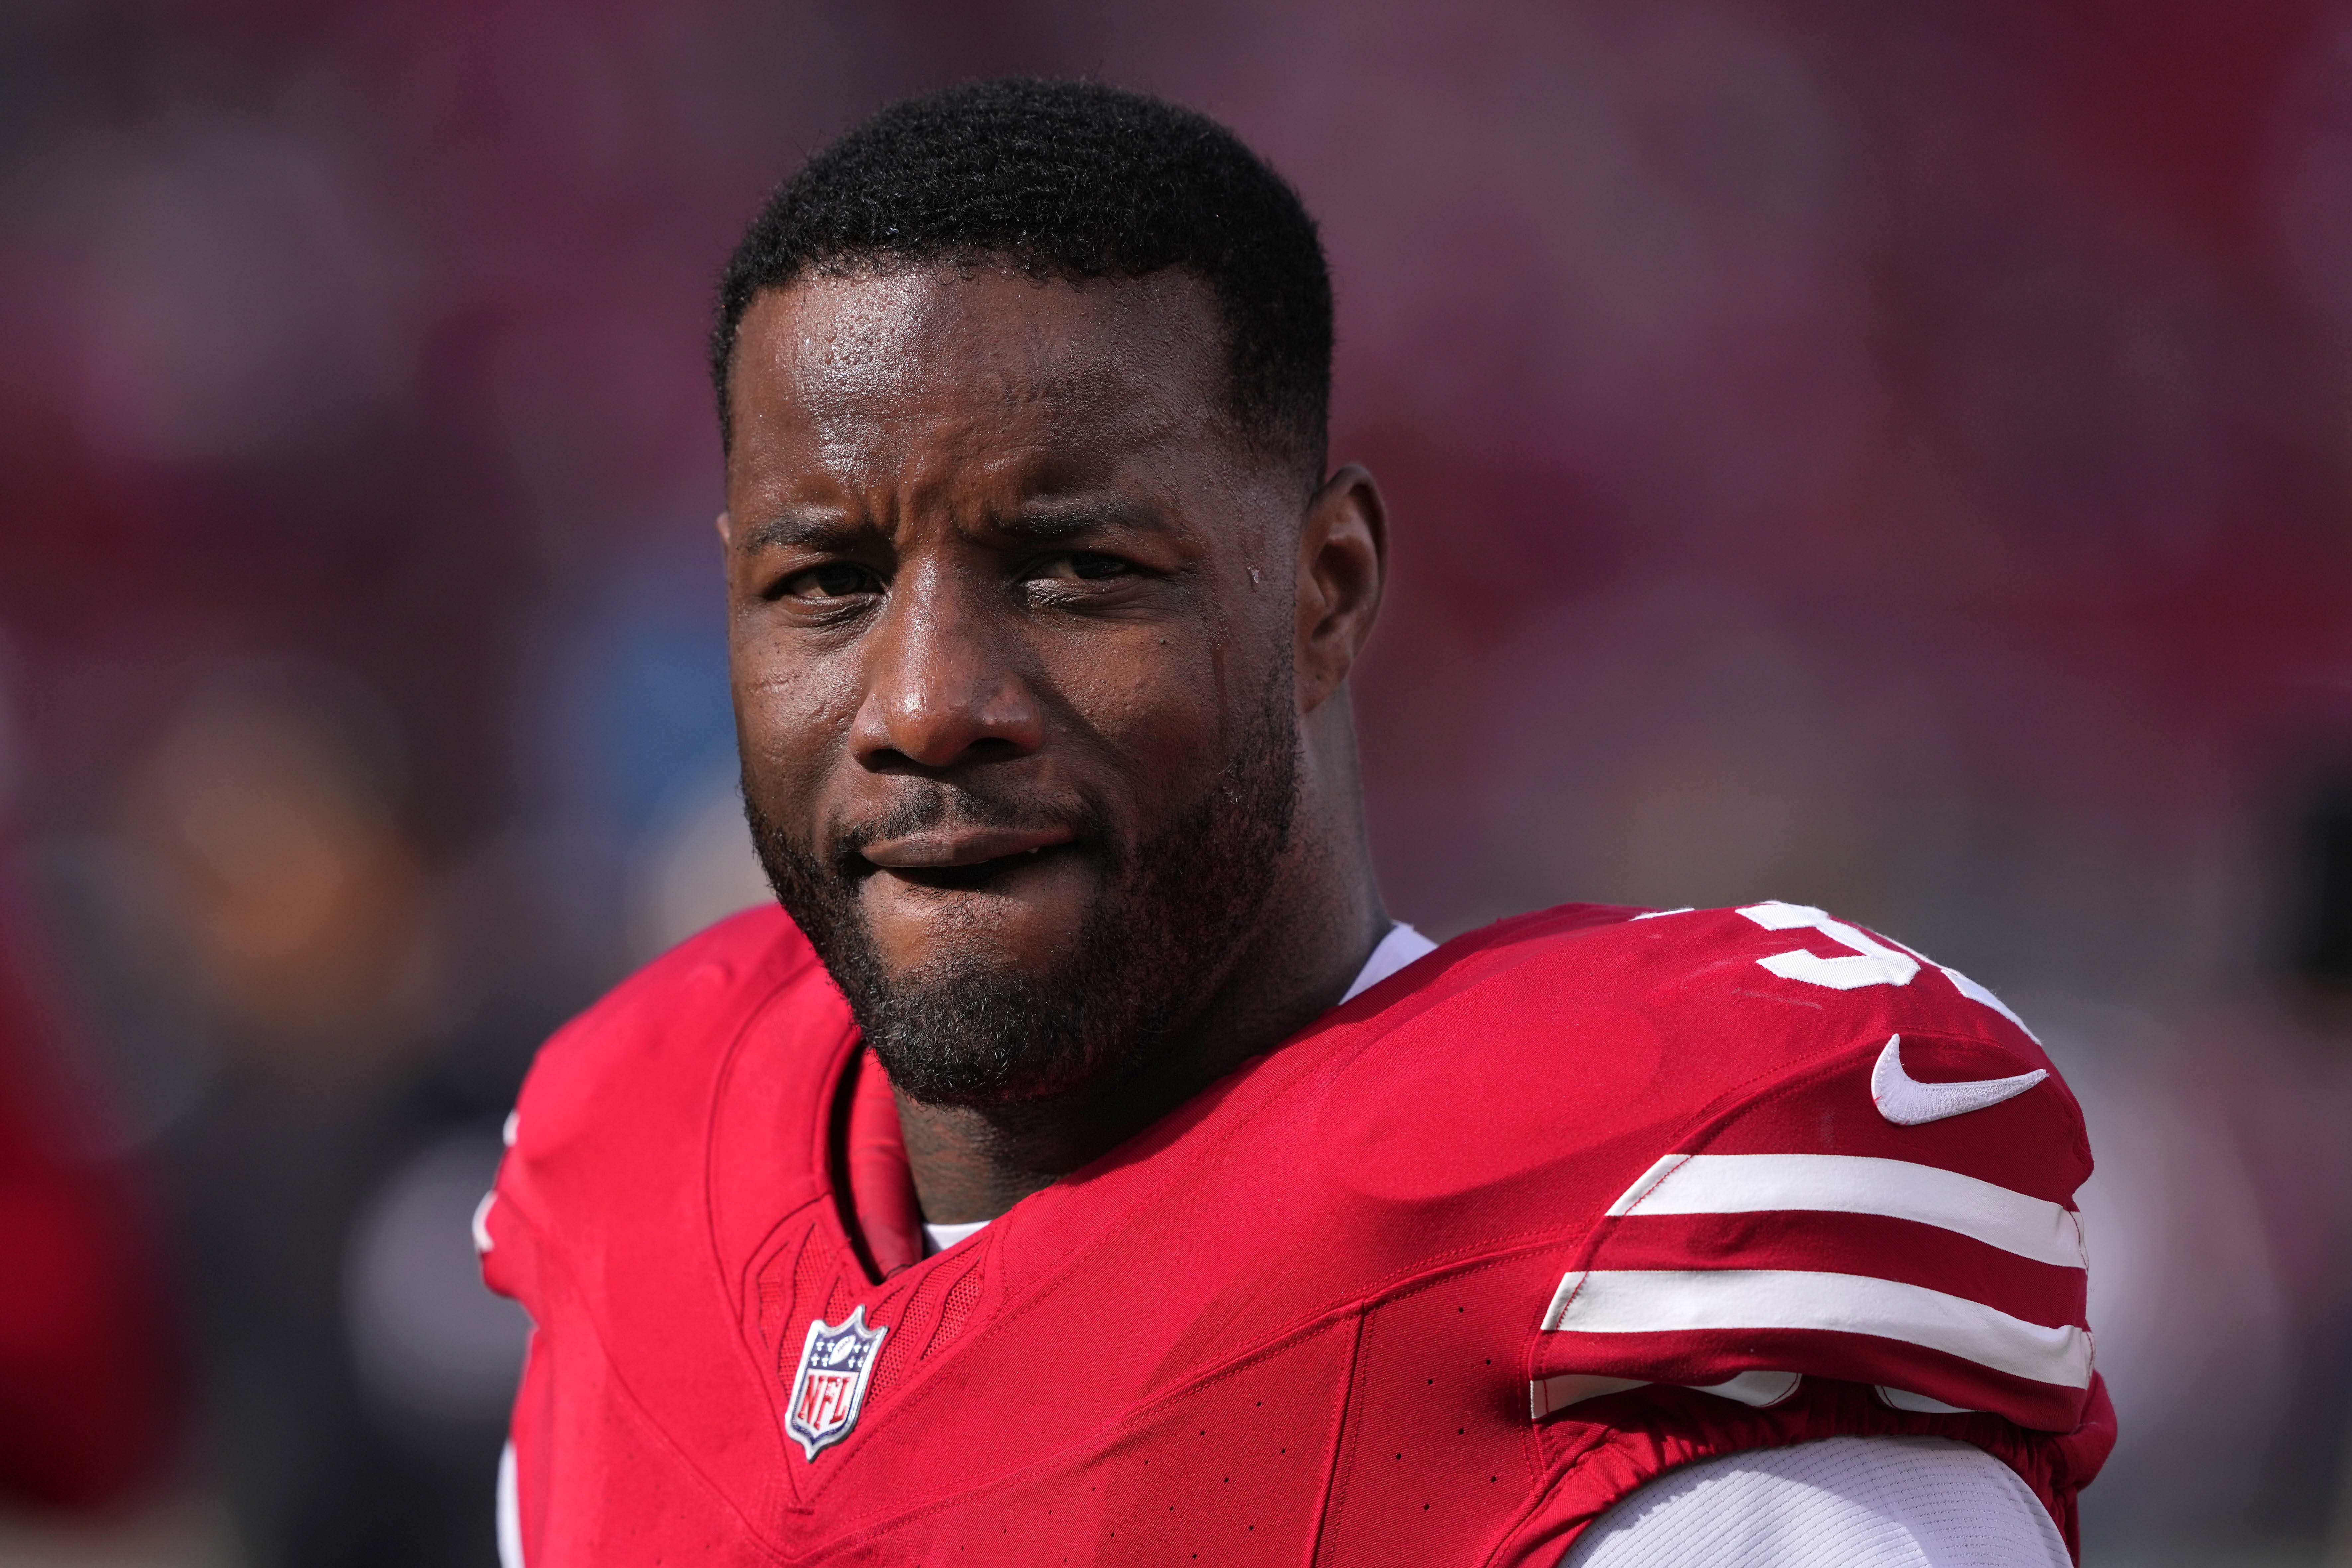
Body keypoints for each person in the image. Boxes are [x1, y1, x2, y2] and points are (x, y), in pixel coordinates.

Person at [478, 78, 2111, 1566]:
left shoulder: (1648, 1357)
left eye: (1077, 569)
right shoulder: (637, 1232)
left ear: (1325, 590)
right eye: (825, 582)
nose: (922, 701)